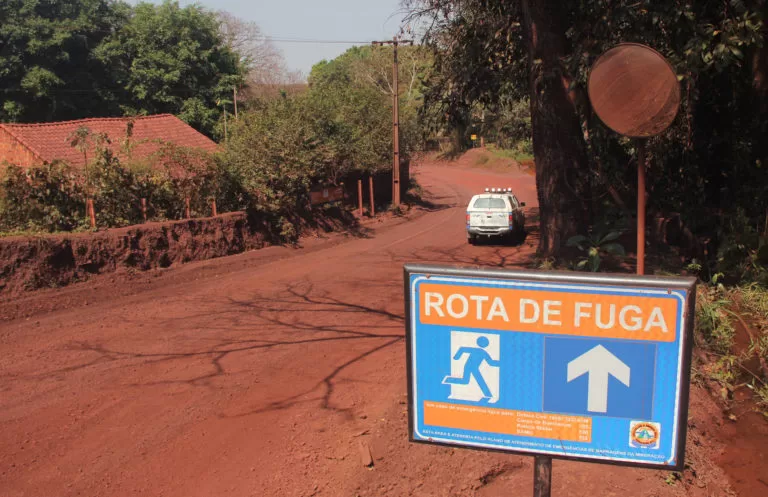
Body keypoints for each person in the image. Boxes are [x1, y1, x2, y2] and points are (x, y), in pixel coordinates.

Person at [443, 336, 499, 400]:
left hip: (473, 367)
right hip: (469, 367)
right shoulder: (479, 351)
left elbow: (491, 362)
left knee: (465, 381)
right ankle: (488, 395)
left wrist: (501, 363)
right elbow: (462, 348)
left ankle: (448, 379)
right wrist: (456, 357)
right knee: (473, 380)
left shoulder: (484, 353)